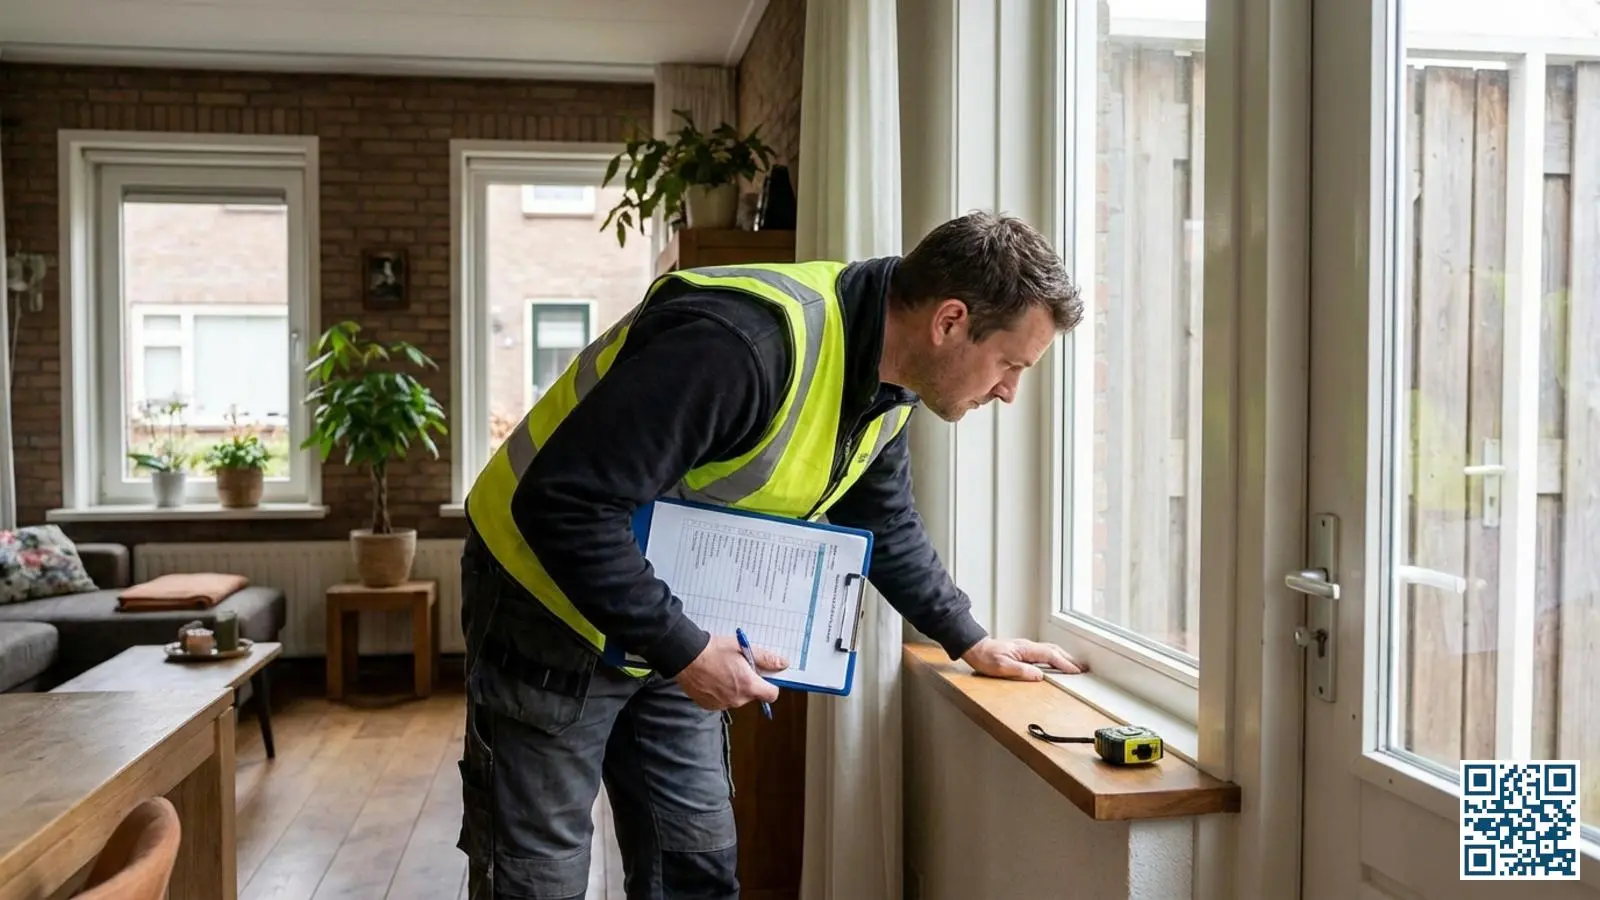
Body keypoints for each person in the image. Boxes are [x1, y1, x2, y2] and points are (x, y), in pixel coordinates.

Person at [457, 210, 1088, 900]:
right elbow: (563, 504)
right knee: (536, 879)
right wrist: (689, 652)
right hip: (543, 597)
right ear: (950, 322)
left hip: (670, 609)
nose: (1008, 391)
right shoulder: (740, 347)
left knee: (695, 867)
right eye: (1010, 364)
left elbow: (882, 517)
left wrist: (970, 639)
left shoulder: (891, 379)